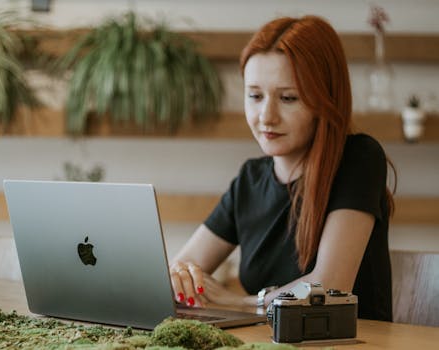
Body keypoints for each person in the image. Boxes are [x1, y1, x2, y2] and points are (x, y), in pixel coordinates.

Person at [169, 15, 395, 322]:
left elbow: (330, 286)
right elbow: (180, 271)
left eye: (288, 98)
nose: (266, 116)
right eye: (255, 96)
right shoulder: (250, 179)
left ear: (326, 98)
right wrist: (180, 280)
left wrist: (245, 304)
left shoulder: (359, 158)